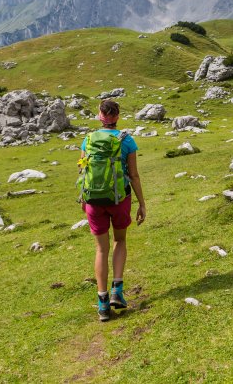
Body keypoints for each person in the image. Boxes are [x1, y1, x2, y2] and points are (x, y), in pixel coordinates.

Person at [79, 99, 146, 321]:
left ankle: (102, 302)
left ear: (100, 116)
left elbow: (83, 170)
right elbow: (134, 175)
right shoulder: (127, 141)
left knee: (101, 249)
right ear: (117, 117)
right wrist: (142, 203)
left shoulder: (87, 140)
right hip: (119, 198)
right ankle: (117, 289)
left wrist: (83, 198)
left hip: (93, 201)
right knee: (120, 241)